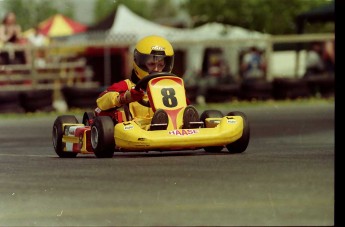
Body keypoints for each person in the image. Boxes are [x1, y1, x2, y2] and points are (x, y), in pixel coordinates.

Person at [94, 35, 197, 130]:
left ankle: (187, 125)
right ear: (139, 62)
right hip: (135, 127)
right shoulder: (127, 85)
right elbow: (100, 102)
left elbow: (186, 104)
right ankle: (157, 126)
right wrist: (125, 97)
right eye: (151, 64)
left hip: (170, 123)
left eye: (161, 65)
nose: (157, 69)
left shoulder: (170, 87)